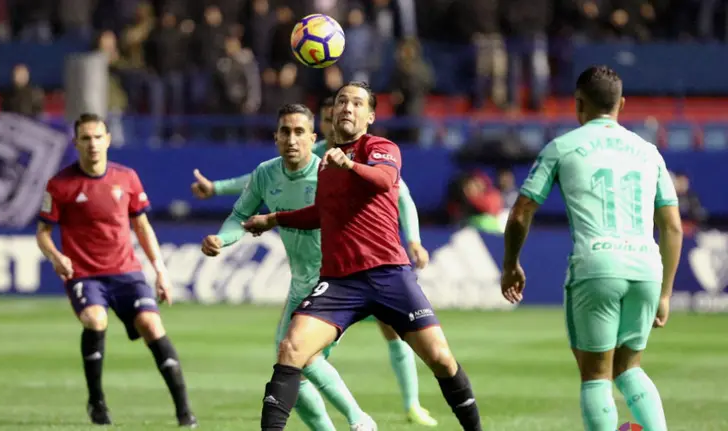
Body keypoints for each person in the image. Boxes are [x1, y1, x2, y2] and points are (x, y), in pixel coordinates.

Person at [242, 82, 484, 431]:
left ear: (370, 116)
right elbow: (321, 213)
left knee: (442, 360)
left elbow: (385, 181)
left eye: (357, 103)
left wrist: (350, 165)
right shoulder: (326, 164)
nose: (347, 108)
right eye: (342, 101)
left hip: (389, 275)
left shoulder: (381, 148)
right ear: (332, 112)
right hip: (339, 282)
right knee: (291, 349)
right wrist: (274, 219)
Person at [193, 97, 437, 426]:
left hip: (337, 282)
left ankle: (371, 416)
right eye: (285, 132)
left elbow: (398, 192)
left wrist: (413, 240)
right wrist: (222, 238)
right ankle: (349, 423)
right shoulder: (266, 173)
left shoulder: (333, 169)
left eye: (299, 132)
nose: (292, 139)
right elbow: (240, 213)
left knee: (302, 358)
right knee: (296, 365)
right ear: (276, 137)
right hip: (300, 283)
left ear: (312, 138)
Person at [501, 66, 682, 431]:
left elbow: (521, 212)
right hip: (646, 266)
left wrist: (510, 264)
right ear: (622, 104)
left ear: (578, 103)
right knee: (630, 369)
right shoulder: (649, 152)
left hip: (597, 264)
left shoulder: (561, 147)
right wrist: (665, 292)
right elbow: (673, 226)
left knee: (596, 375)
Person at [36, 113, 197, 428]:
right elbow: (43, 232)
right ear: (76, 143)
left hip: (126, 272)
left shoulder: (127, 178)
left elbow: (142, 225)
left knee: (151, 324)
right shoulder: (59, 185)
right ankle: (96, 401)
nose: (93, 144)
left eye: (98, 137)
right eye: (86, 138)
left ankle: (184, 412)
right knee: (96, 319)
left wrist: (161, 271)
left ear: (108, 140)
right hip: (85, 274)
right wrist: (55, 255)